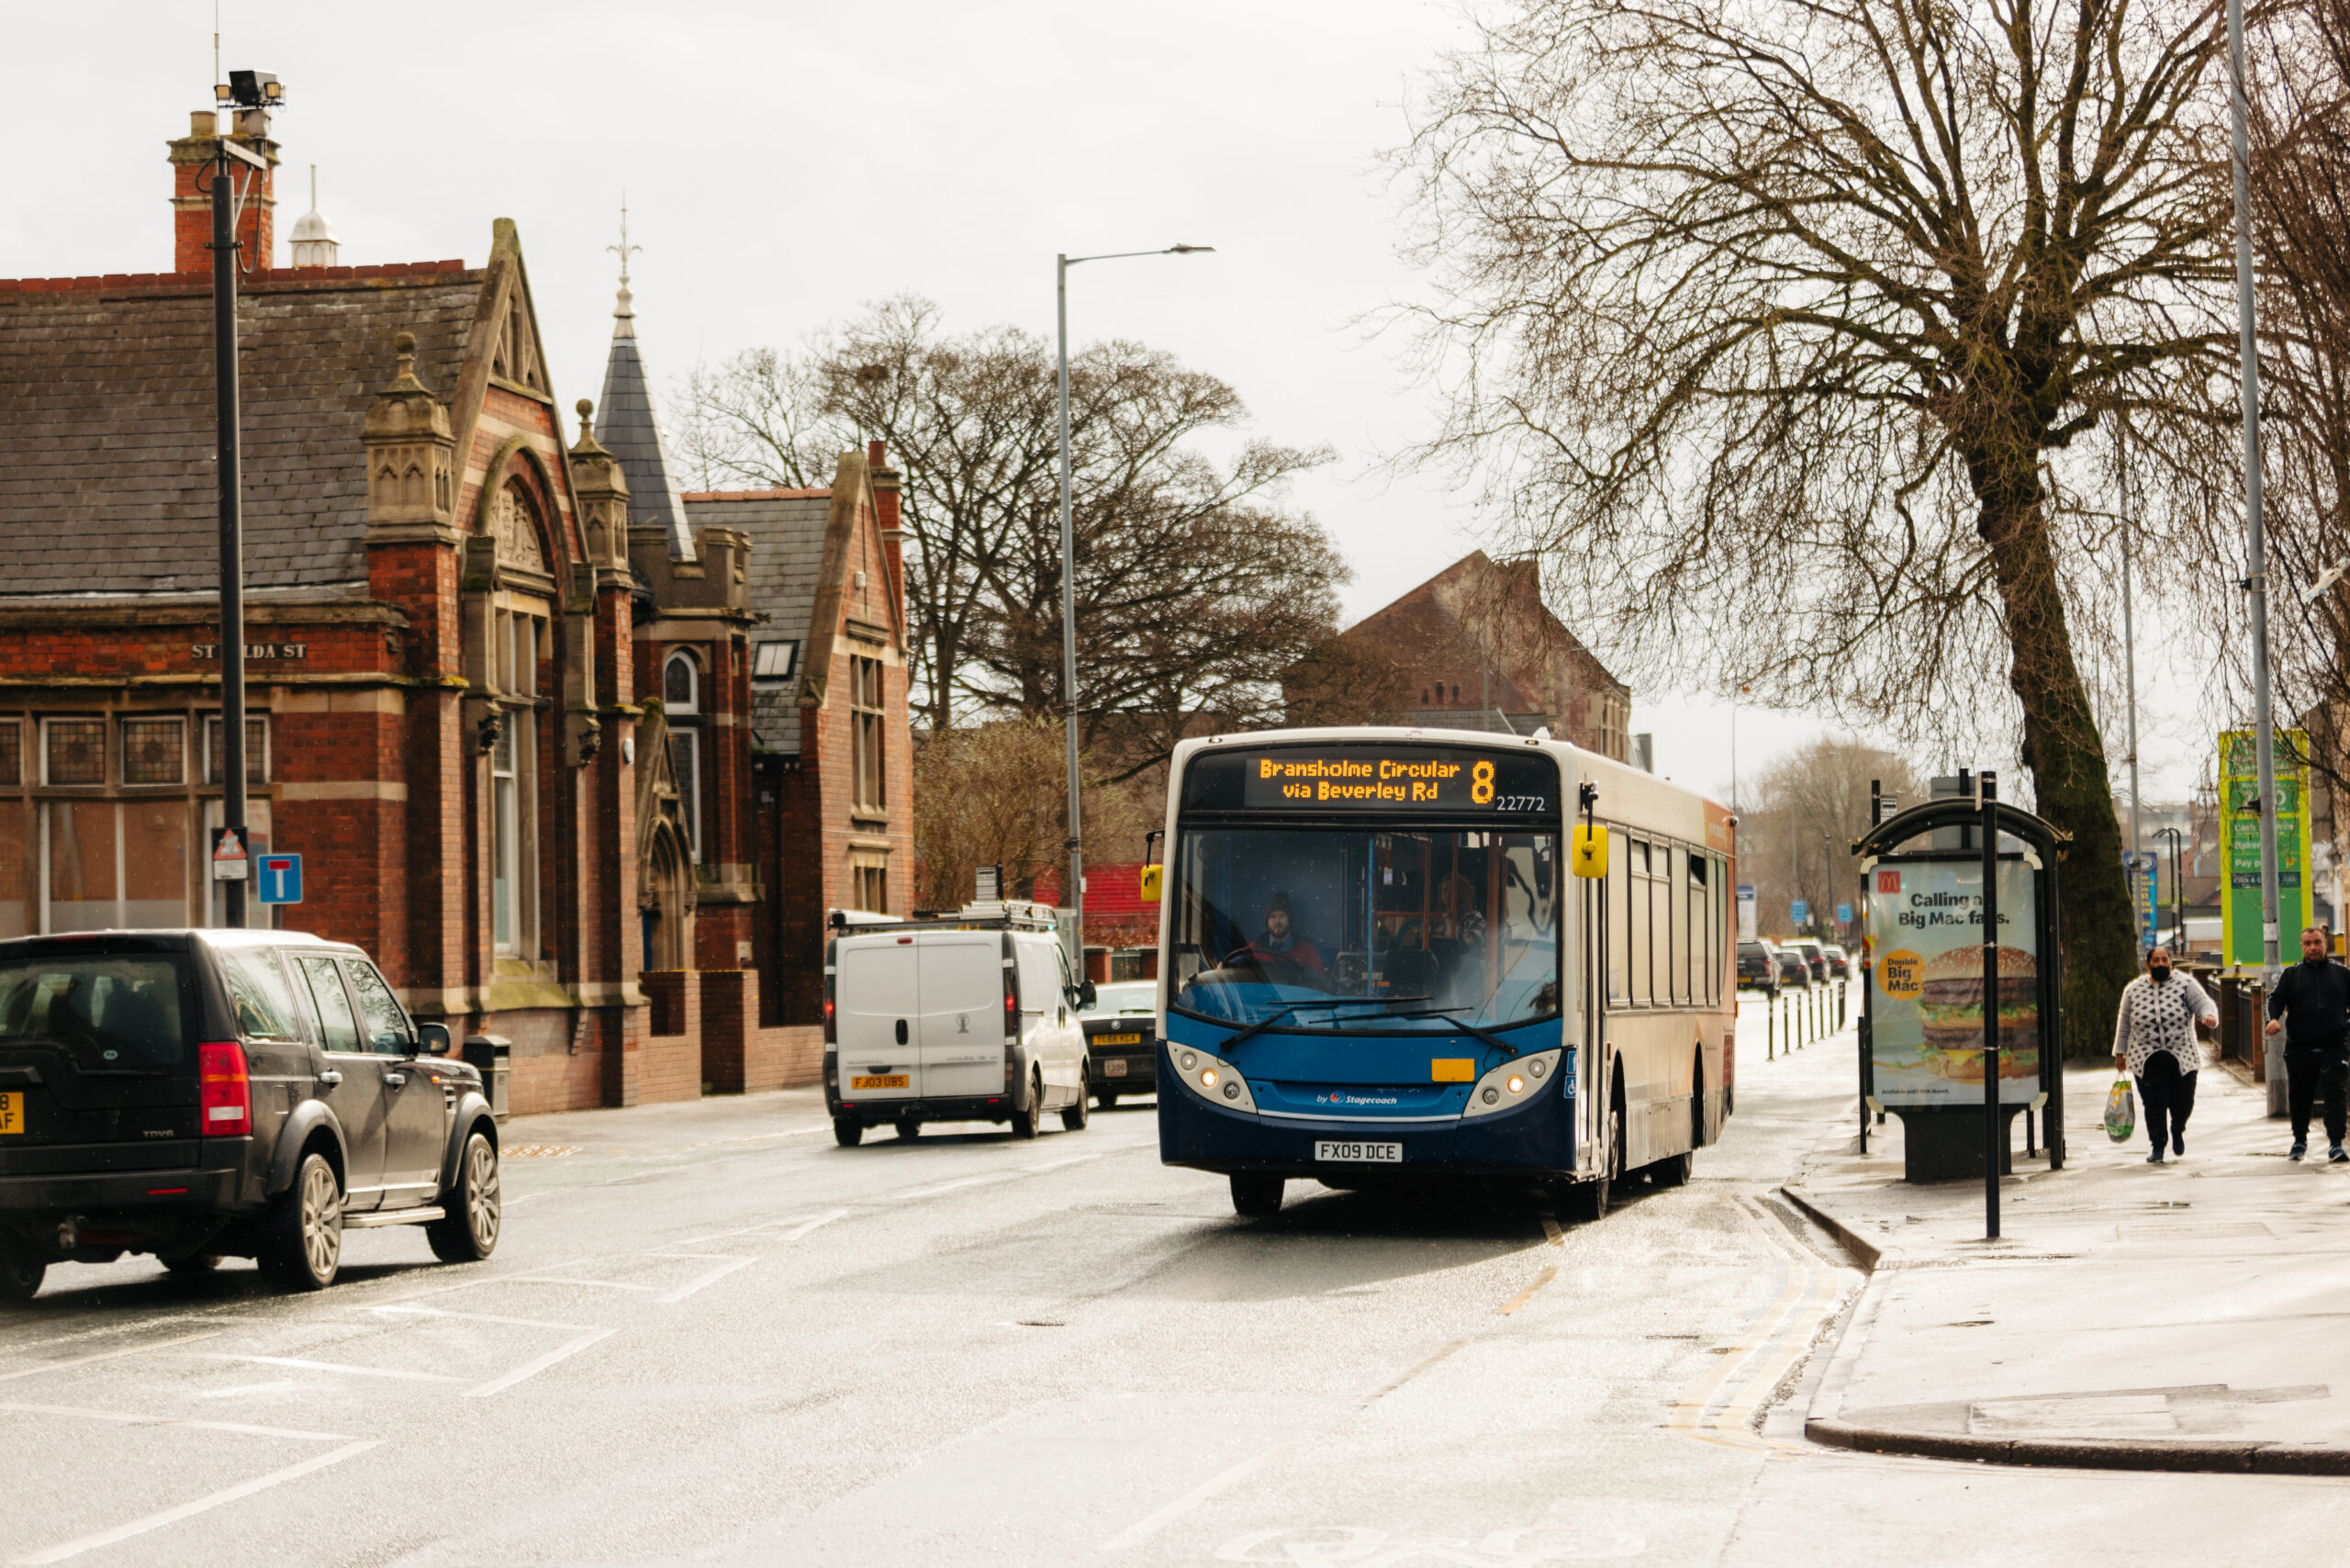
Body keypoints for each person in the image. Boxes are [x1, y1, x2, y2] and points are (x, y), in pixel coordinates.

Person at [2112, 946, 2217, 1165]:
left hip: (2182, 1055)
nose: (2161, 964)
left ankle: (2178, 1128)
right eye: (2156, 960)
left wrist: (2208, 1015)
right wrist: (2120, 1053)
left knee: (2184, 1101)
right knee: (2153, 1103)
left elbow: (2203, 1003)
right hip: (2145, 1057)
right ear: (2148, 964)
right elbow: (2124, 1023)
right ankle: (2158, 1146)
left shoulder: (2185, 984)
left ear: (2170, 963)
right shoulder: (2133, 990)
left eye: (2164, 960)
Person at [2266, 924, 2350, 1162]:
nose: (2313, 947)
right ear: (2302, 946)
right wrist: (2272, 1019)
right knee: (2301, 1096)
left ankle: (2336, 1144)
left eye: (2317, 942)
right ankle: (2299, 1141)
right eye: (2308, 943)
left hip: (2333, 1048)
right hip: (2299, 1048)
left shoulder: (2342, 974)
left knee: (2336, 1095)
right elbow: (2275, 1000)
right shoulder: (2291, 975)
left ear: (2325, 944)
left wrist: (2345, 1027)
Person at [1242, 890, 1325, 975]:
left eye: (1282, 916)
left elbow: (1319, 983)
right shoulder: (1254, 949)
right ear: (1267, 922)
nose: (1277, 921)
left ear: (1290, 920)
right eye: (1273, 916)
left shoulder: (1307, 951)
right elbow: (1234, 975)